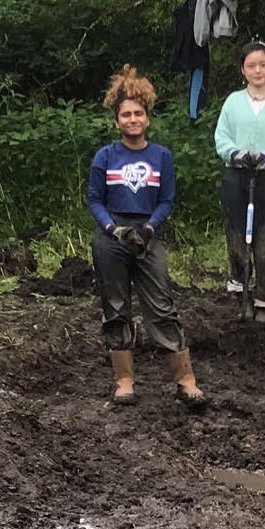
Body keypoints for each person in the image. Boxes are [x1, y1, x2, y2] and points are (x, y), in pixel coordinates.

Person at [87, 65, 204, 409]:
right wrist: (114, 230)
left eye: (138, 113)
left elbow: (166, 199)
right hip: (112, 235)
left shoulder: (161, 156)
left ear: (147, 118)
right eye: (126, 114)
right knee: (115, 307)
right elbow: (95, 199)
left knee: (162, 306)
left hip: (147, 233)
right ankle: (124, 382)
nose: (133, 119)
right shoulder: (105, 156)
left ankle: (186, 380)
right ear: (117, 120)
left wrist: (150, 228)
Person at [214, 42, 265, 313]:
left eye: (263, 64)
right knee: (237, 237)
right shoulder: (233, 102)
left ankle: (264, 299)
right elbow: (221, 137)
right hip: (236, 177)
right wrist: (235, 152)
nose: (257, 70)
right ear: (243, 70)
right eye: (251, 65)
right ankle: (240, 293)